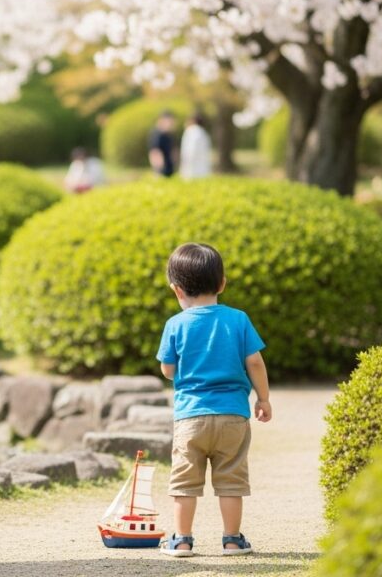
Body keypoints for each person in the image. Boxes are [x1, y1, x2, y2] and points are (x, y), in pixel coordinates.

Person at [156, 243, 272, 558]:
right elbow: (256, 363)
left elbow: (168, 370)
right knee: (231, 479)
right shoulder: (238, 319)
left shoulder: (175, 325)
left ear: (176, 290)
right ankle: (232, 540)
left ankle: (181, 539)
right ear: (222, 284)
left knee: (184, 481)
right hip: (233, 415)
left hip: (190, 418)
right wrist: (263, 398)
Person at [179, 114, 213, 180]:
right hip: (203, 167)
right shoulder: (204, 132)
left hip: (191, 167)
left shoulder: (191, 131)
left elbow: (190, 150)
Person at [148, 110, 177, 177]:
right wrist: (158, 169)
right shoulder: (156, 134)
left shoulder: (168, 134)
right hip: (162, 170)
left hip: (170, 169)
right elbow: (155, 152)